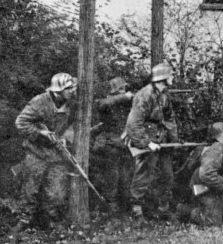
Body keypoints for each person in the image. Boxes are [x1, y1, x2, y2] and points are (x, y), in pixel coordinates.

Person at [13, 72, 77, 231]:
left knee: (57, 192)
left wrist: (66, 138)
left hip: (57, 153)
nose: (72, 91)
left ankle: (52, 222)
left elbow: (74, 125)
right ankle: (24, 221)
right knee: (30, 190)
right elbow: (21, 122)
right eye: (68, 89)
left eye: (72, 88)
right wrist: (40, 133)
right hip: (36, 152)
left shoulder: (72, 104)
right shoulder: (39, 102)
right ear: (58, 90)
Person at [125, 63, 179, 220]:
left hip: (162, 140)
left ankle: (163, 209)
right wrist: (147, 143)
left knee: (167, 174)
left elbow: (170, 118)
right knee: (143, 175)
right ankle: (136, 211)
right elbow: (133, 123)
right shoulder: (145, 95)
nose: (173, 78)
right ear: (164, 77)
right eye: (171, 75)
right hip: (146, 139)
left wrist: (174, 140)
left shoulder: (164, 95)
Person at [92, 77, 134, 214]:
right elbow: (100, 105)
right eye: (121, 89)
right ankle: (110, 207)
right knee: (112, 178)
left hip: (125, 146)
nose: (124, 91)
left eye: (124, 89)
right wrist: (123, 97)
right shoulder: (107, 102)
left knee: (125, 178)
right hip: (111, 146)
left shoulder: (126, 104)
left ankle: (124, 208)